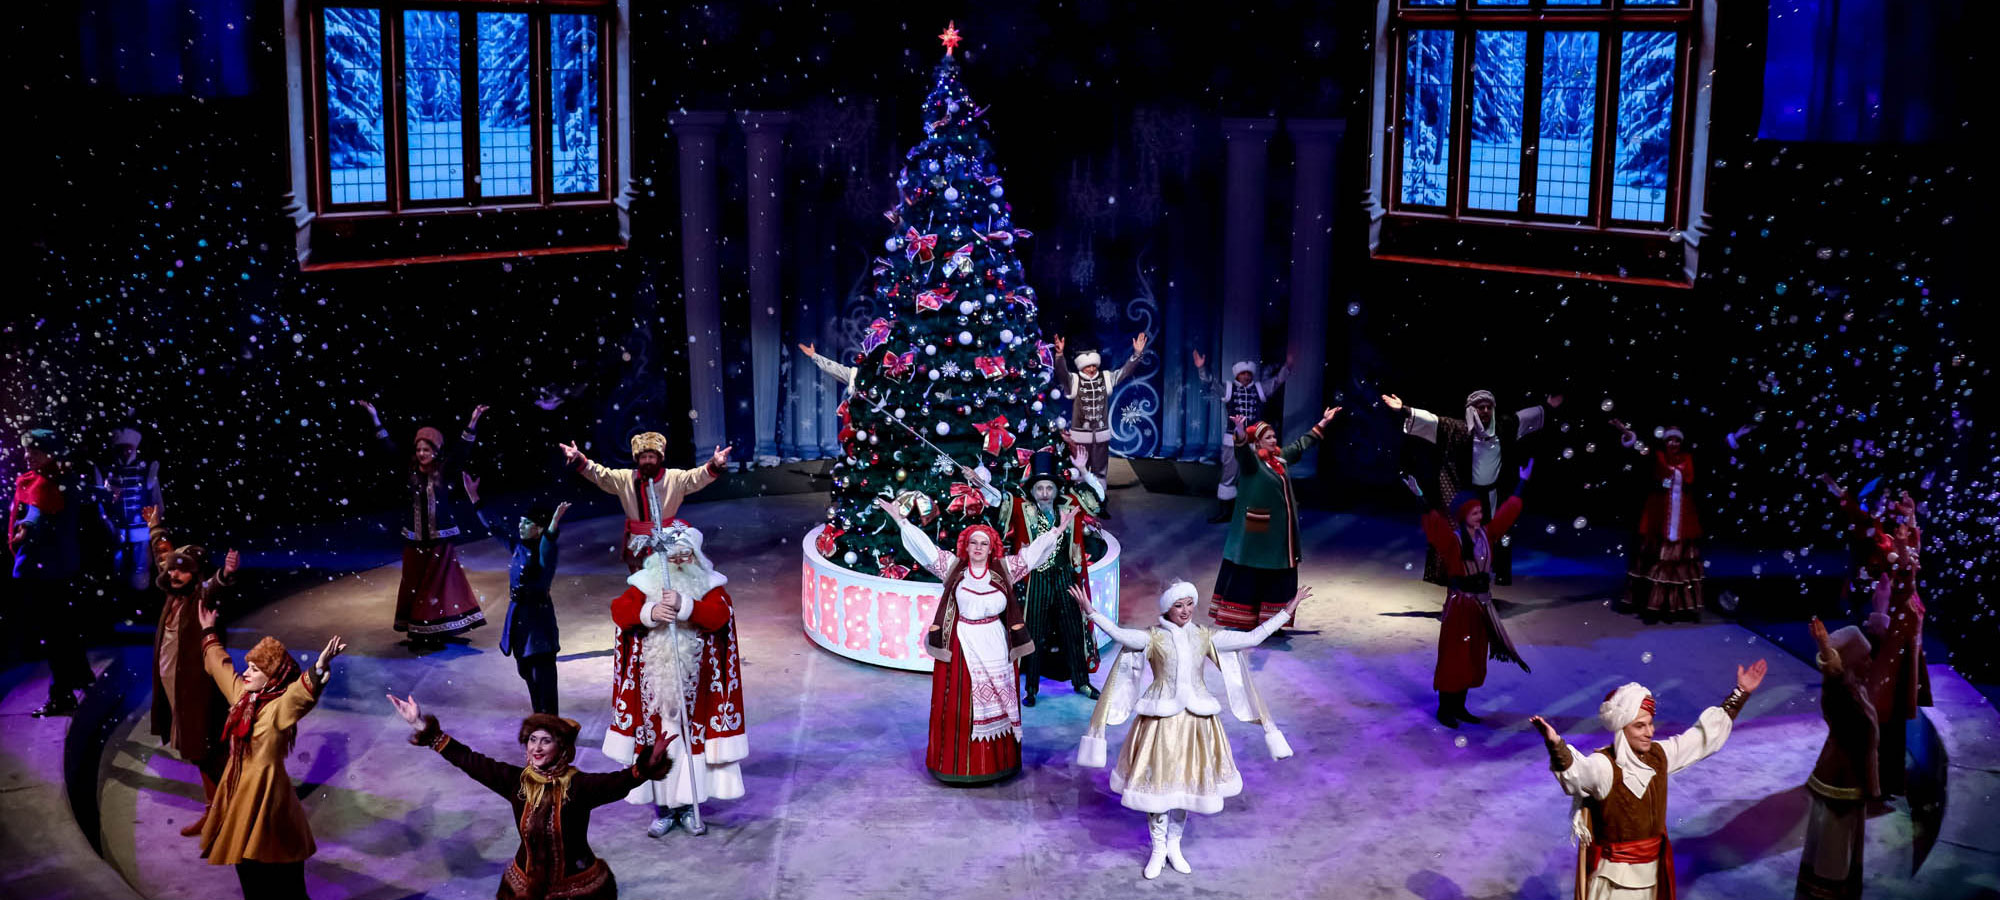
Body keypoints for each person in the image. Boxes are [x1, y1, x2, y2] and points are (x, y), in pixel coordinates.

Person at [1076, 582, 1307, 880]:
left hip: (1196, 722)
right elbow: (1121, 635)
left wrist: (1286, 611)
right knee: (1158, 785)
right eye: (1178, 605)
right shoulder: (1153, 637)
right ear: (1167, 609)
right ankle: (1158, 848)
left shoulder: (1204, 636)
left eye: (1189, 604)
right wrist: (1091, 612)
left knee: (1185, 786)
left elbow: (1252, 637)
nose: (1185, 611)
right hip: (1161, 722)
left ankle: (1174, 845)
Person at [387, 694, 675, 900]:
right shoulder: (517, 782)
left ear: (562, 749)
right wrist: (421, 726)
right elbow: (469, 760)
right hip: (524, 887)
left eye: (545, 741)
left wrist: (649, 764)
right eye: (532, 740)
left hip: (578, 887)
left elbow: (622, 781)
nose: (536, 748)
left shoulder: (579, 786)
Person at [1529, 660, 1767, 900]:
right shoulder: (1605, 766)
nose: (1649, 732)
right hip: (1615, 883)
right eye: (1640, 726)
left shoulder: (1658, 756)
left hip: (1651, 875)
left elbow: (1700, 739)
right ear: (1622, 729)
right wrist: (1556, 745)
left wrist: (1739, 694)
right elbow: (1577, 774)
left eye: (1650, 724)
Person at [877, 496, 1070, 784]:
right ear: (965, 547)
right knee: (959, 707)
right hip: (961, 646)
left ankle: (997, 764)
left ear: (992, 548)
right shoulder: (953, 567)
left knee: (999, 704)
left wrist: (1057, 531)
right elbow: (924, 548)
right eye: (973, 543)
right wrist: (900, 519)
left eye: (984, 544)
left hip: (996, 643)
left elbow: (1033, 555)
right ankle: (957, 766)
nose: (978, 548)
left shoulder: (1004, 570)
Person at [602, 522, 748, 836]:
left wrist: (687, 606)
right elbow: (620, 610)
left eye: (686, 556)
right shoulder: (644, 584)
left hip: (697, 689)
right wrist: (650, 612)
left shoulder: (709, 585)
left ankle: (689, 806)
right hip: (653, 689)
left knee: (689, 747)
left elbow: (719, 616)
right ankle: (664, 809)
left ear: (696, 556)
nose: (680, 562)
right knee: (658, 746)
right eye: (673, 557)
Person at [194, 603, 346, 900]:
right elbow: (221, 667)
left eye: (256, 669)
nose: (247, 673)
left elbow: (298, 697)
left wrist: (318, 668)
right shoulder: (242, 697)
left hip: (266, 796)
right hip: (239, 792)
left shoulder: (277, 709)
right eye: (249, 666)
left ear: (272, 677)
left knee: (281, 872)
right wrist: (208, 631)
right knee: (247, 865)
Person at [965, 444, 1106, 705]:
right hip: (1036, 580)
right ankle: (1031, 689)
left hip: (1065, 577)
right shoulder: (1022, 507)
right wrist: (979, 483)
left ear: (1056, 489)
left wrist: (1084, 471)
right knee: (1034, 633)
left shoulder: (1071, 505)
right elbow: (996, 499)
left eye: (1049, 488)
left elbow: (1098, 499)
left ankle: (1082, 682)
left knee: (1073, 630)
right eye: (1039, 488)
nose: (1044, 493)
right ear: (1032, 490)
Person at [1383, 389, 1561, 586]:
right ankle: (1459, 578)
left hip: (1491, 494)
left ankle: (1483, 575)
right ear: (1471, 410)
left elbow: (1525, 418)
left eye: (1488, 407)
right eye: (1480, 407)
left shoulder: (1504, 427)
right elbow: (1433, 421)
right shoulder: (1457, 429)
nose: (1485, 411)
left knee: (1491, 535)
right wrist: (1404, 410)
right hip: (1468, 495)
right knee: (1461, 538)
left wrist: (1548, 407)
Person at [355, 400, 489, 648]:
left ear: (435, 452)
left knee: (438, 586)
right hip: (415, 540)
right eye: (418, 450)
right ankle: (420, 628)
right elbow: (388, 448)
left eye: (426, 450)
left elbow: (462, 450)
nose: (421, 454)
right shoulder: (409, 470)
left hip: (439, 540)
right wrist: (375, 418)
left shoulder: (444, 470)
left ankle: (435, 629)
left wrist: (473, 421)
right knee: (415, 584)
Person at [1413, 461, 1535, 728]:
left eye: (1481, 511)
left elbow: (1507, 514)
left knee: (1472, 657)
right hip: (1460, 608)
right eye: (1475, 512)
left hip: (1481, 607)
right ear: (1463, 515)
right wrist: (1420, 496)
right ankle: (1445, 708)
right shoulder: (1453, 540)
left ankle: (1460, 706)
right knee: (1455, 656)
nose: (1480, 515)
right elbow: (1434, 525)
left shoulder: (1486, 535)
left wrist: (1522, 482)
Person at [143, 504, 238, 836]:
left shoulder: (199, 597)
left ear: (195, 575)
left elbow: (215, 586)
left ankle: (224, 813)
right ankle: (216, 810)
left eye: (182, 571)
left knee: (206, 752)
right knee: (199, 753)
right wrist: (155, 528)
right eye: (172, 570)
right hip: (177, 690)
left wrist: (226, 574)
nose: (173, 574)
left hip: (198, 691)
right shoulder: (174, 595)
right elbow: (163, 556)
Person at [1208, 408, 1338, 631]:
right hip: (1257, 529)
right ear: (1258, 442)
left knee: (1276, 572)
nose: (1273, 440)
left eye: (1274, 436)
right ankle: (1246, 620)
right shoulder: (1252, 464)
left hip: (1278, 532)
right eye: (1267, 437)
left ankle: (1272, 621)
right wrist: (1240, 431)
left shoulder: (1279, 459)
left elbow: (1300, 445)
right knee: (1253, 570)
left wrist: (1324, 422)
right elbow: (1242, 451)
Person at [10, 428, 107, 717]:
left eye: (35, 451)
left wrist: (25, 529)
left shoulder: (49, 483)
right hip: (57, 567)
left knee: (55, 635)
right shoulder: (58, 479)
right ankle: (79, 678)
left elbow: (38, 512)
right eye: (27, 450)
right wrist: (106, 492)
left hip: (47, 569)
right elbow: (84, 493)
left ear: (49, 453)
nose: (28, 456)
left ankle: (62, 696)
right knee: (64, 629)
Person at [466, 474, 569, 715]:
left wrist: (553, 525)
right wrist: (474, 498)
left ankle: (549, 723)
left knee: (543, 678)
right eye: (520, 522)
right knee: (526, 673)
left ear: (539, 529)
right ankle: (539, 719)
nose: (520, 526)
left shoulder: (545, 553)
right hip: (519, 618)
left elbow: (548, 547)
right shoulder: (518, 547)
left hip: (538, 622)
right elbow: (495, 527)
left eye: (526, 523)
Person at [560, 432, 731, 572]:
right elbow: (600, 475)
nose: (647, 461)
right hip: (637, 543)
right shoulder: (625, 479)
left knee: (669, 586)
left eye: (651, 456)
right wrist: (578, 459)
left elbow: (696, 477)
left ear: (659, 458)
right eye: (643, 457)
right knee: (641, 588)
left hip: (667, 540)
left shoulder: (674, 478)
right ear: (637, 459)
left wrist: (714, 464)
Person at [1797, 617, 1879, 900]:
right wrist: (1825, 646)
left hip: (1853, 782)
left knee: (1842, 849)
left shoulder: (1858, 689)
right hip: (1840, 783)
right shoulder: (1840, 690)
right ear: (1850, 663)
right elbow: (1834, 673)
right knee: (1833, 850)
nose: (1870, 663)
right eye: (1864, 658)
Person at [1864, 490, 1929, 797]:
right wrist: (1902, 542)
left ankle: (1889, 778)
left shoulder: (1905, 550)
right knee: (1886, 710)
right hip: (1891, 642)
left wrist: (1911, 517)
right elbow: (1902, 566)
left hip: (1903, 641)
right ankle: (1882, 778)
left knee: (1895, 711)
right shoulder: (1886, 554)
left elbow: (1912, 557)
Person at [1612, 421, 1705, 622]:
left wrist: (1736, 437)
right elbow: (1640, 450)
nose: (1673, 444)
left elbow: (1710, 454)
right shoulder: (1657, 457)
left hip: (1683, 516)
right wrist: (1627, 433)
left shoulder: (1688, 459)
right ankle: (1651, 606)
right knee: (1655, 558)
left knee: (1679, 562)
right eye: (1670, 440)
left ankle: (1676, 608)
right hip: (1659, 515)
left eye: (1677, 440)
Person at [1192, 350, 1290, 524]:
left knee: (1255, 475)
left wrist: (1287, 367)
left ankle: (1253, 514)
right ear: (1237, 375)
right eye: (1243, 374)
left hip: (1254, 441)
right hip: (1233, 440)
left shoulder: (1259, 389)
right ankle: (1226, 512)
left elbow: (1276, 381)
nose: (1246, 377)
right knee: (1229, 475)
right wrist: (1201, 368)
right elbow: (1210, 382)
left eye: (1249, 374)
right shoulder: (1229, 388)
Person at [1052, 332, 1148, 496]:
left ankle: (1100, 497)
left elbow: (1124, 372)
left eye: (1094, 366)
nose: (1091, 369)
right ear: (1081, 366)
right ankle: (1081, 498)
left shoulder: (1105, 378)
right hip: (1081, 435)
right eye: (1087, 366)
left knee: (1100, 470)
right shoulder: (1075, 380)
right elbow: (1062, 375)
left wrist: (1137, 354)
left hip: (1101, 434)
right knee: (1081, 467)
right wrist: (1060, 356)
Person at [103, 426, 163, 597]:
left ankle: (140, 591)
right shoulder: (110, 470)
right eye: (122, 449)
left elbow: (156, 496)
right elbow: (104, 500)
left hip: (140, 524)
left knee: (141, 560)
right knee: (118, 559)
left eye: (128, 448)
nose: (125, 452)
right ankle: (119, 591)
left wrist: (156, 520)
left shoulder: (146, 469)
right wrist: (107, 520)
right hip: (118, 524)